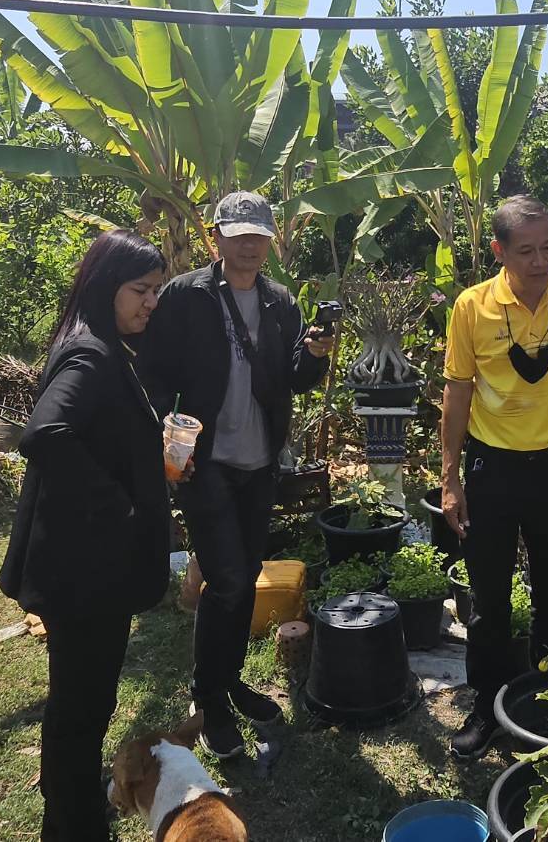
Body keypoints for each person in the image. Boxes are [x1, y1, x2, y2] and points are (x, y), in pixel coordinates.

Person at [0, 229, 174, 842]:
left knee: (84, 704)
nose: (151, 303)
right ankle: (71, 827)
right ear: (107, 287)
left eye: (157, 291)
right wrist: (120, 503)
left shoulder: (98, 344)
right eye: (141, 291)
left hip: (88, 565)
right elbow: (46, 434)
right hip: (84, 571)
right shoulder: (90, 354)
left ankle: (75, 812)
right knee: (79, 710)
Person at [148, 191, 333, 759]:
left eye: (259, 234)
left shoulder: (281, 302)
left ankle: (228, 683)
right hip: (206, 463)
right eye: (238, 233)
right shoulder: (186, 297)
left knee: (244, 574)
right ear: (218, 237)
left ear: (270, 240)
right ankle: (209, 701)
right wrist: (162, 434)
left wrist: (318, 354)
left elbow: (291, 379)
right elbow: (155, 372)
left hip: (259, 464)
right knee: (226, 582)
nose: (249, 244)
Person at [440, 195, 548, 759]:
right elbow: (458, 391)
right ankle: (486, 706)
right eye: (527, 251)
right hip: (492, 470)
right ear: (499, 251)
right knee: (489, 599)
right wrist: (450, 476)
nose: (542, 261)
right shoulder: (472, 307)